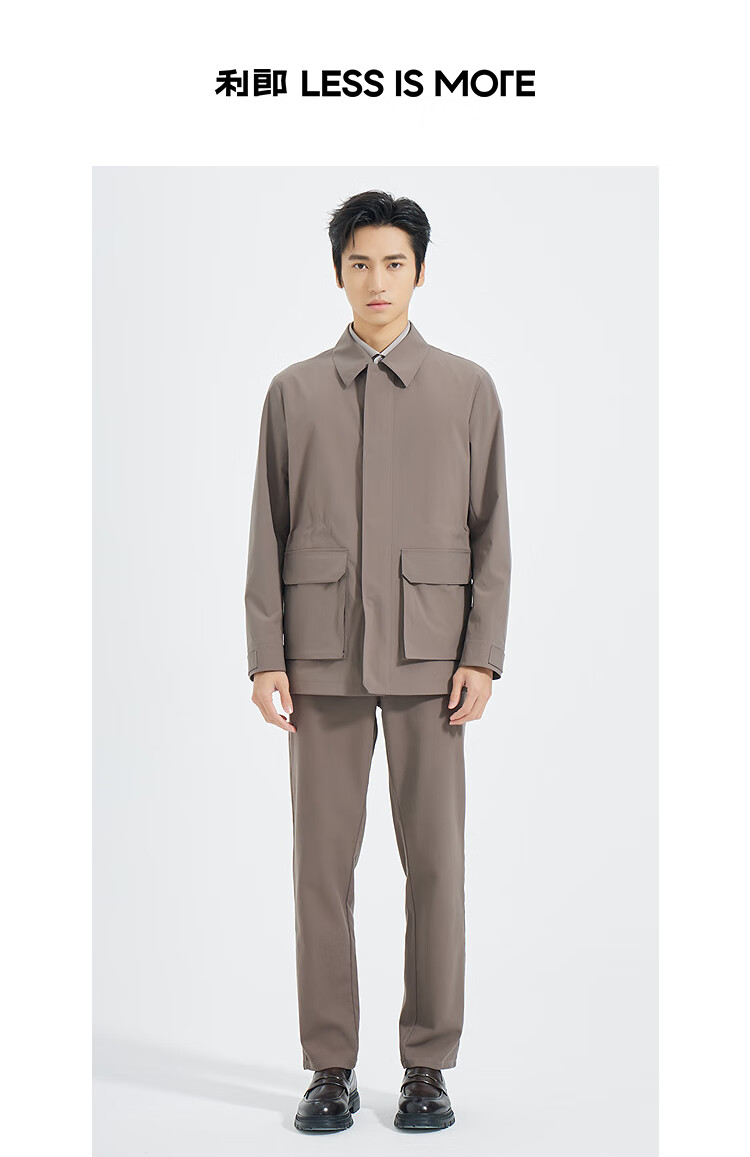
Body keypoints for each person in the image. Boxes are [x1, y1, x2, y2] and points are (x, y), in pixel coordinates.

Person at [244, 189, 511, 1132]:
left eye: (394, 263)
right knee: (321, 871)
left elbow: (492, 532)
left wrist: (482, 654)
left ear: (420, 272)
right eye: (360, 263)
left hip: (435, 662)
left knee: (436, 866)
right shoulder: (294, 392)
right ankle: (331, 1066)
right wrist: (265, 655)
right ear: (338, 274)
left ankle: (427, 1065)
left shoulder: (468, 389)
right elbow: (267, 530)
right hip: (319, 661)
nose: (377, 280)